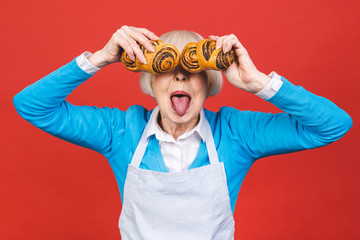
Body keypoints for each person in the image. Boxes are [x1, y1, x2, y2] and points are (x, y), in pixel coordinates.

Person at [13, 25, 352, 239]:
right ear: (150, 79)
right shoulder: (120, 131)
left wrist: (259, 82)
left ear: (208, 82)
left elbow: (333, 125)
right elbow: (32, 106)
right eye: (167, 69)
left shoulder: (236, 133)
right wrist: (100, 58)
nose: (179, 77)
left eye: (192, 69)